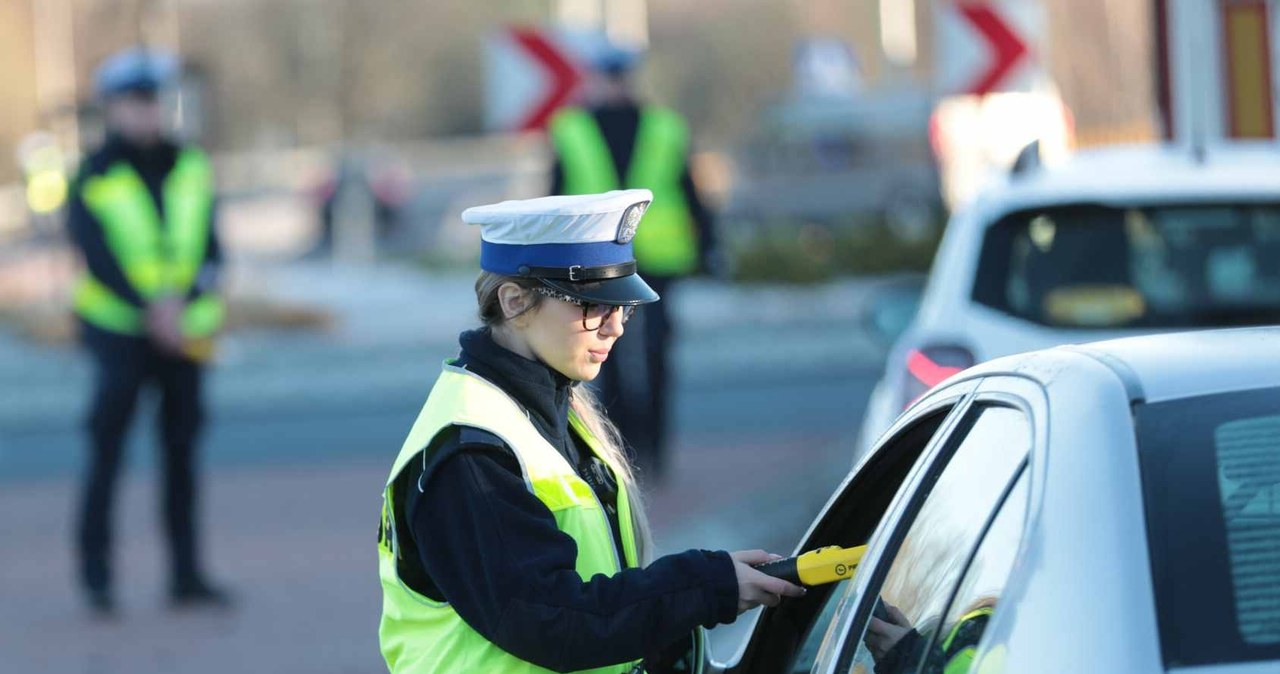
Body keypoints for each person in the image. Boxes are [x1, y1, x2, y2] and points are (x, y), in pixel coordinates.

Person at [376, 190, 800, 673]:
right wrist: (703, 586)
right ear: (515, 302)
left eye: (624, 307)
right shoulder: (471, 452)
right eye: (591, 306)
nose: (615, 326)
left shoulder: (552, 410)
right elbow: (553, 620)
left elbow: (595, 592)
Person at [66, 46, 229, 615]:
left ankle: (186, 575)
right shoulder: (94, 173)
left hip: (183, 333)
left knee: (181, 454)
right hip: (119, 333)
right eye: (134, 103)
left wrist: (185, 303)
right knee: (107, 453)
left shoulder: (192, 166)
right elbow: (96, 257)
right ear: (111, 108)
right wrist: (151, 309)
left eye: (153, 101)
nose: (146, 113)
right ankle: (97, 578)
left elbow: (211, 248)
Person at [547, 42, 717, 482]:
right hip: (598, 259)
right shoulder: (570, 130)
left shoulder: (665, 128)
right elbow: (557, 196)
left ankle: (655, 450)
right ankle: (623, 450)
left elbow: (691, 191)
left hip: (655, 257)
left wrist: (710, 244)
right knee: (607, 355)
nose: (615, 87)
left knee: (657, 353)